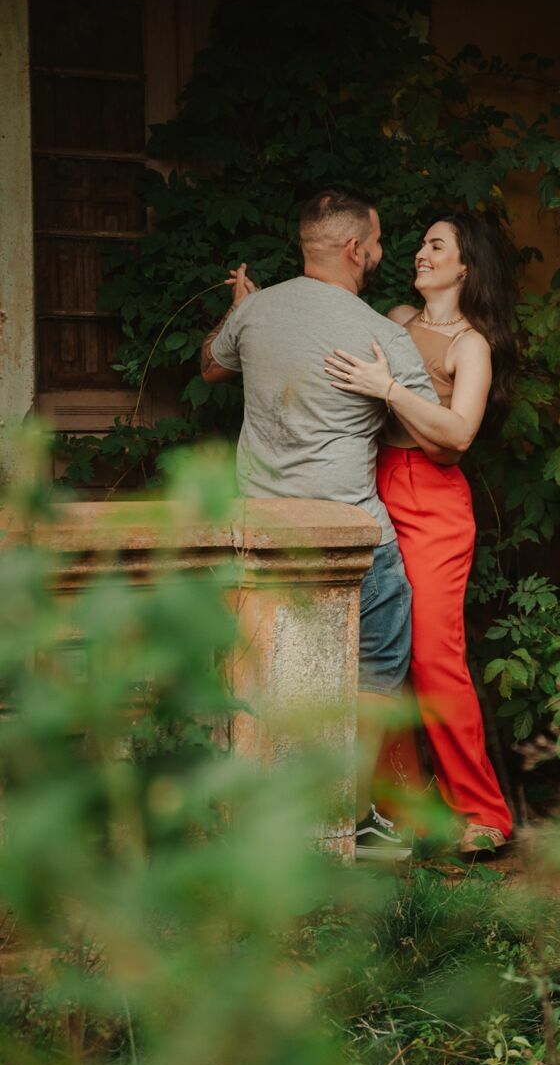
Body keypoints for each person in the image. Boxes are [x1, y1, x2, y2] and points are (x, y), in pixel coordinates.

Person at [201, 189, 442, 859]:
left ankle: (254, 820)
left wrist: (239, 308)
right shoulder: (381, 334)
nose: (384, 252)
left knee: (258, 674)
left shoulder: (254, 313)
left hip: (260, 533)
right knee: (376, 669)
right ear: (354, 249)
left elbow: (210, 366)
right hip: (354, 539)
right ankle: (351, 818)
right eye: (379, 240)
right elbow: (433, 439)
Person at [324, 212, 519, 855]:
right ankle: (402, 815)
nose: (421, 252)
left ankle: (484, 813)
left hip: (432, 499)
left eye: (438, 245)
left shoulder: (472, 345)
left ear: (465, 266)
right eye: (421, 243)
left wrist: (389, 389)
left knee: (434, 658)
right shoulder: (399, 319)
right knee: (381, 651)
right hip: (372, 484)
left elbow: (457, 436)